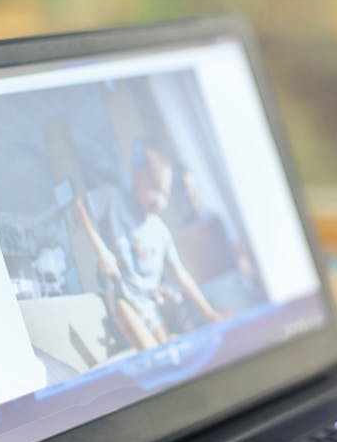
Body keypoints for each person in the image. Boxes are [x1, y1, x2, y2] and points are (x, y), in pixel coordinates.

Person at [74, 138, 227, 350]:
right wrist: (103, 253)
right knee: (151, 351)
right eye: (154, 188)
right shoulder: (114, 199)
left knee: (169, 351)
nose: (160, 200)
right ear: (137, 178)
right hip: (122, 298)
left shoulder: (161, 232)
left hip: (151, 306)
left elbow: (180, 273)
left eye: (165, 193)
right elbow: (80, 205)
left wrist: (209, 313)